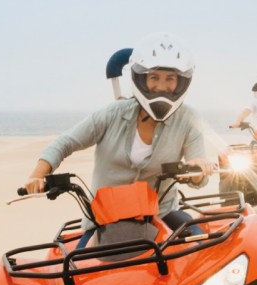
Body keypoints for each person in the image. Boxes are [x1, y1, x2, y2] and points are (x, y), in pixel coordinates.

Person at [24, 32, 213, 247]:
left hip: (161, 213)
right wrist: (37, 175)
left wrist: (198, 169)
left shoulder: (188, 119)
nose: (162, 86)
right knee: (79, 270)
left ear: (181, 82)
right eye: (154, 77)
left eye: (170, 78)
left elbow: (199, 171)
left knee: (201, 248)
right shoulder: (113, 114)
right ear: (141, 79)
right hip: (104, 219)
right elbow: (65, 142)